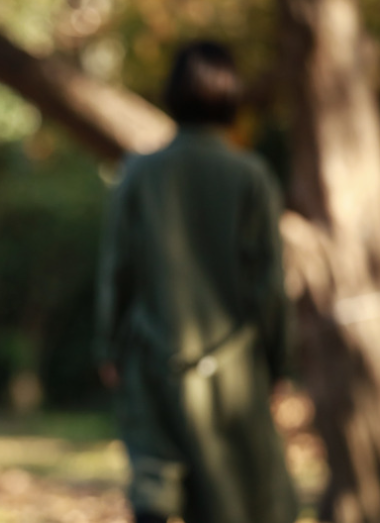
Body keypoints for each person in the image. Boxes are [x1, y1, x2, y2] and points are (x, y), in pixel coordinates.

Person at [94, 41, 298, 523]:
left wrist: (107, 348)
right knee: (231, 496)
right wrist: (278, 361)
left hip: (151, 358)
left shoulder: (140, 173)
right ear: (232, 94)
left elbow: (117, 267)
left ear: (172, 93)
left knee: (155, 489)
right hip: (234, 369)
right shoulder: (251, 175)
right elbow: (270, 283)